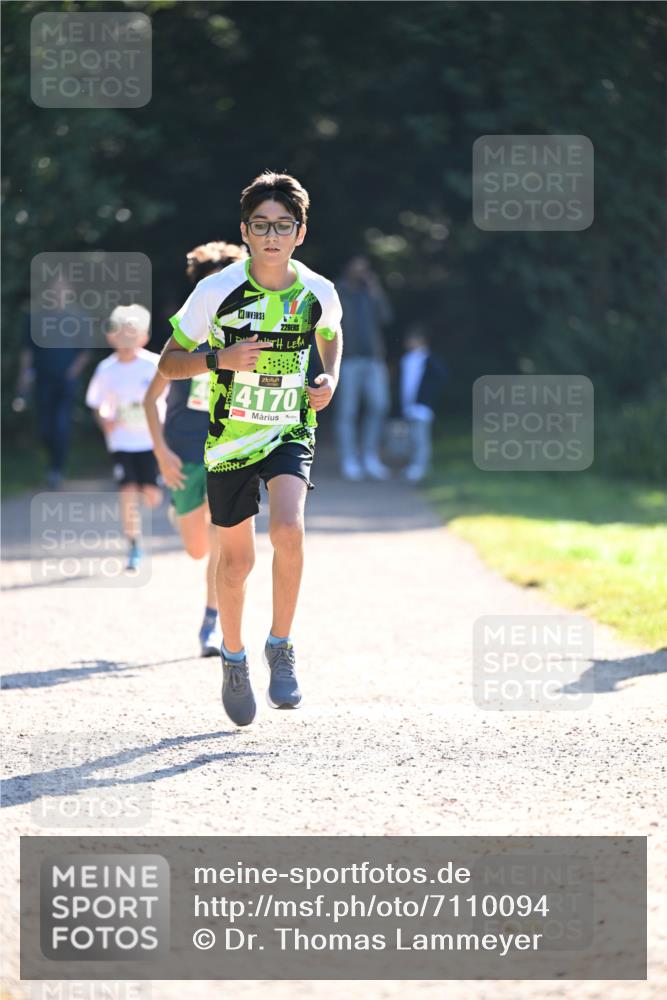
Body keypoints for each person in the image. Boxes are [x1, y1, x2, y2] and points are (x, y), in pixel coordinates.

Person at [158, 170, 343, 727]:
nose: (271, 235)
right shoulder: (216, 290)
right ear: (244, 231)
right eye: (261, 226)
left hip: (289, 429)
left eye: (282, 226)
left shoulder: (319, 291)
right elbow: (169, 362)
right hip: (230, 438)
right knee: (236, 562)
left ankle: (281, 646)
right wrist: (222, 359)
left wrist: (328, 380)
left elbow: (331, 336)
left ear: (300, 232)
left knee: (289, 529)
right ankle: (234, 659)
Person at [143, 241, 248, 657]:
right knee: (197, 548)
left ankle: (212, 619)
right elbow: (149, 399)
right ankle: (184, 510)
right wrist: (161, 455)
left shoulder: (244, 338)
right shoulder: (182, 341)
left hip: (227, 449)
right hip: (183, 452)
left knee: (224, 541)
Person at [85, 304, 162, 571]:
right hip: (121, 441)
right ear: (111, 336)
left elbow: (169, 398)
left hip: (151, 441)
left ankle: (164, 511)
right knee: (127, 490)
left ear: (144, 337)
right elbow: (95, 402)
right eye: (121, 334)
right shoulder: (106, 370)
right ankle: (134, 544)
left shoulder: (154, 365)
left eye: (133, 334)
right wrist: (105, 419)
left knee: (150, 494)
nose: (127, 341)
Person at [14, 278, 92, 488]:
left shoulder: (77, 318)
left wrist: (71, 373)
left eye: (62, 289)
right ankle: (52, 466)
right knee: (45, 428)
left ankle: (57, 470)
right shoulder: (36, 318)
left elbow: (84, 353)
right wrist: (23, 379)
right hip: (42, 380)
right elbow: (27, 352)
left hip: (66, 383)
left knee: (61, 425)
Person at [334, 255, 393, 481]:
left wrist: (376, 290)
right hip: (347, 358)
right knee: (347, 411)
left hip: (373, 358)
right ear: (347, 269)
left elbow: (387, 317)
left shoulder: (370, 292)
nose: (361, 273)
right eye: (357, 268)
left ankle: (370, 456)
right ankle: (349, 459)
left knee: (379, 405)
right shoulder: (337, 291)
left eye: (364, 268)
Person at [399, 324, 448, 482]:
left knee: (421, 438)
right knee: (412, 438)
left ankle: (421, 466)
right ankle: (415, 465)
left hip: (422, 406)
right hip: (409, 405)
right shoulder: (406, 360)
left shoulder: (430, 360)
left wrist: (428, 397)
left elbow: (439, 378)